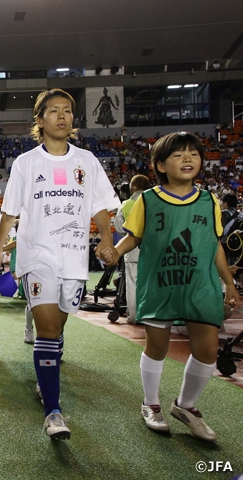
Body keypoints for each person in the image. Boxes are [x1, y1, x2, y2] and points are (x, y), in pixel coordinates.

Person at [0, 88, 120, 440]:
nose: (62, 116)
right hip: (38, 256)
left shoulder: (87, 161)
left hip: (74, 258)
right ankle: (53, 411)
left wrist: (107, 240)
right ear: (40, 119)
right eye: (53, 111)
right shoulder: (26, 163)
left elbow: (100, 207)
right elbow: (10, 213)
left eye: (67, 111)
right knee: (47, 330)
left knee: (58, 328)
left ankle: (45, 381)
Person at [100, 132, 239, 442]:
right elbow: (133, 236)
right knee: (157, 346)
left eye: (193, 153)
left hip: (200, 284)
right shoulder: (148, 199)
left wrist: (228, 283)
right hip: (160, 283)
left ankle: (186, 406)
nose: (188, 158)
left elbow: (215, 244)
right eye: (178, 154)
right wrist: (115, 252)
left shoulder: (209, 200)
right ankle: (151, 403)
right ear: (161, 165)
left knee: (207, 350)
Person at [113, 174, 150, 324]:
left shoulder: (126, 204)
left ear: (134, 187)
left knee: (133, 282)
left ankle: (134, 317)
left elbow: (119, 227)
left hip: (133, 246)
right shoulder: (155, 201)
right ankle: (151, 317)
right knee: (150, 283)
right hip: (152, 247)